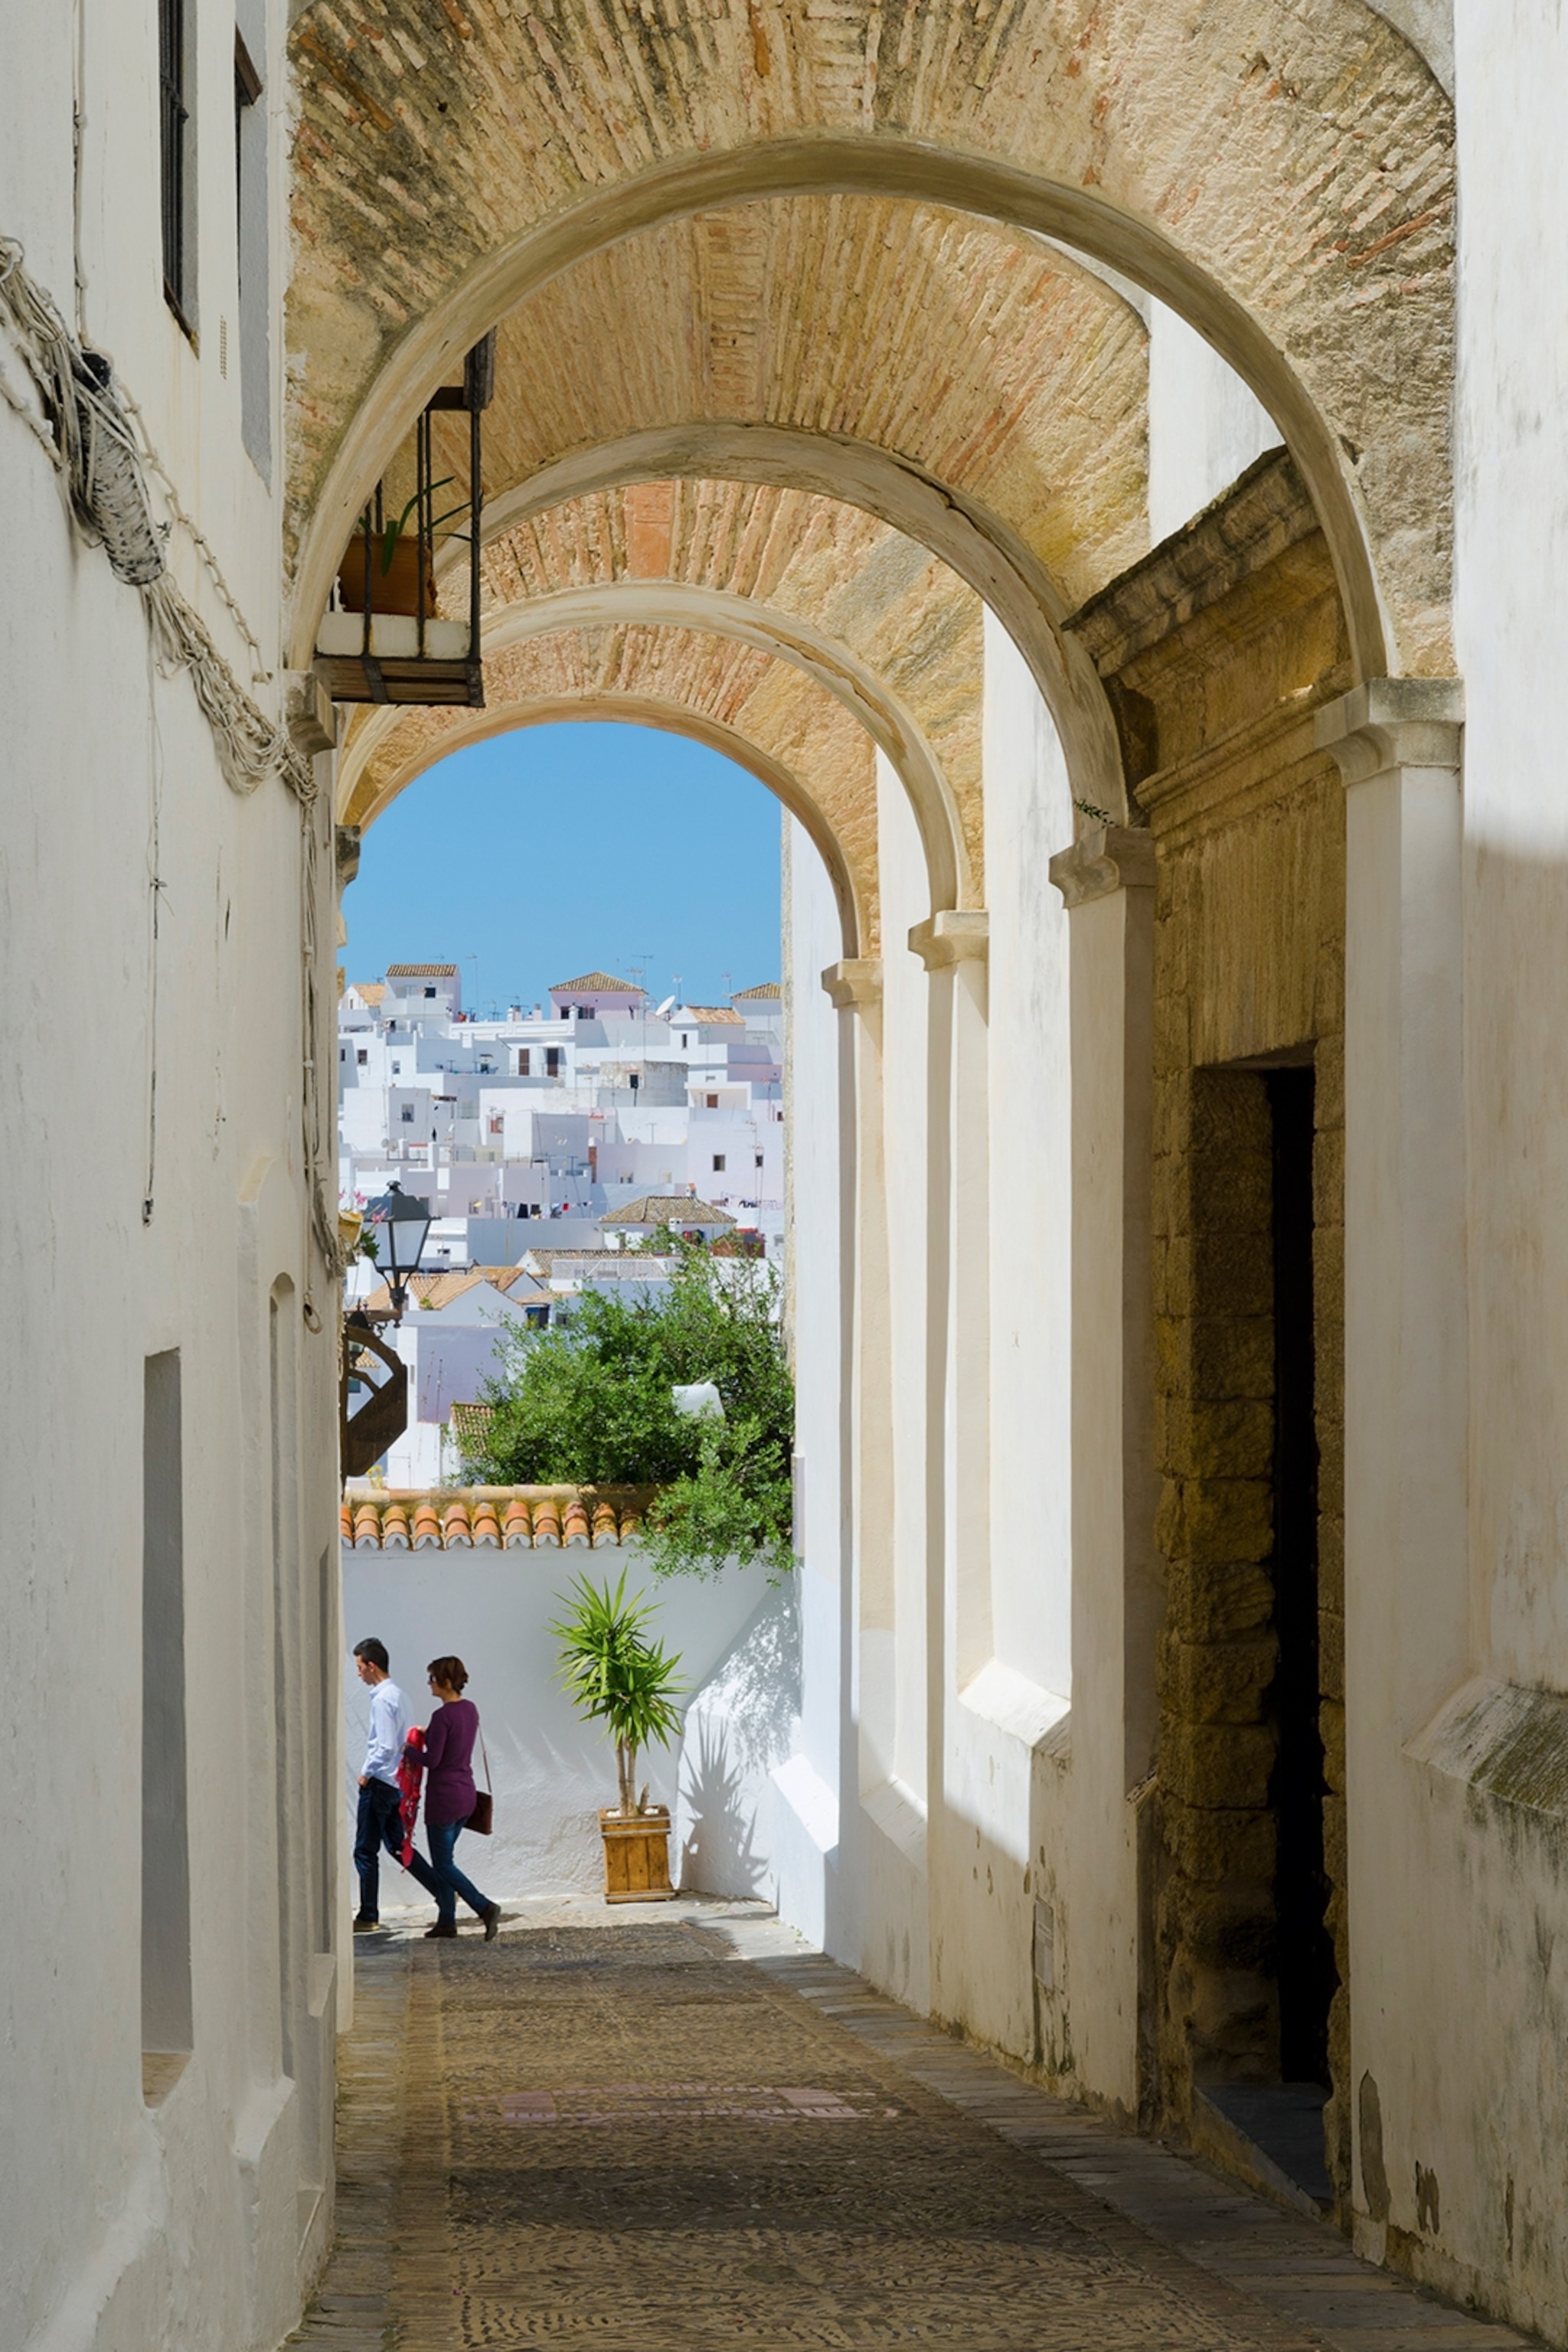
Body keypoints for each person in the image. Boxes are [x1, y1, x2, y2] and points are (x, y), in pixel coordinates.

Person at [404, 1655, 501, 1942]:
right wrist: (429, 1733)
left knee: (444, 1864)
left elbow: (432, 1760)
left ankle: (484, 1907)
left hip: (444, 1799)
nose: (429, 1684)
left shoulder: (442, 1716)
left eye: (432, 1678)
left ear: (446, 1682)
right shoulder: (470, 1710)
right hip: (466, 1796)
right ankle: (446, 1921)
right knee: (444, 1860)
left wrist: (406, 1750)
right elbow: (454, 1740)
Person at [351, 1638, 410, 1932]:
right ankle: (442, 1888)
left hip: (379, 1783)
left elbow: (385, 1746)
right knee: (399, 1847)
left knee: (364, 1850)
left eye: (360, 1667)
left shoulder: (383, 1699)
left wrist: (366, 1773)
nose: (358, 1673)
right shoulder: (398, 1695)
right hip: (393, 1782)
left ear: (371, 1666)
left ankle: (368, 1915)